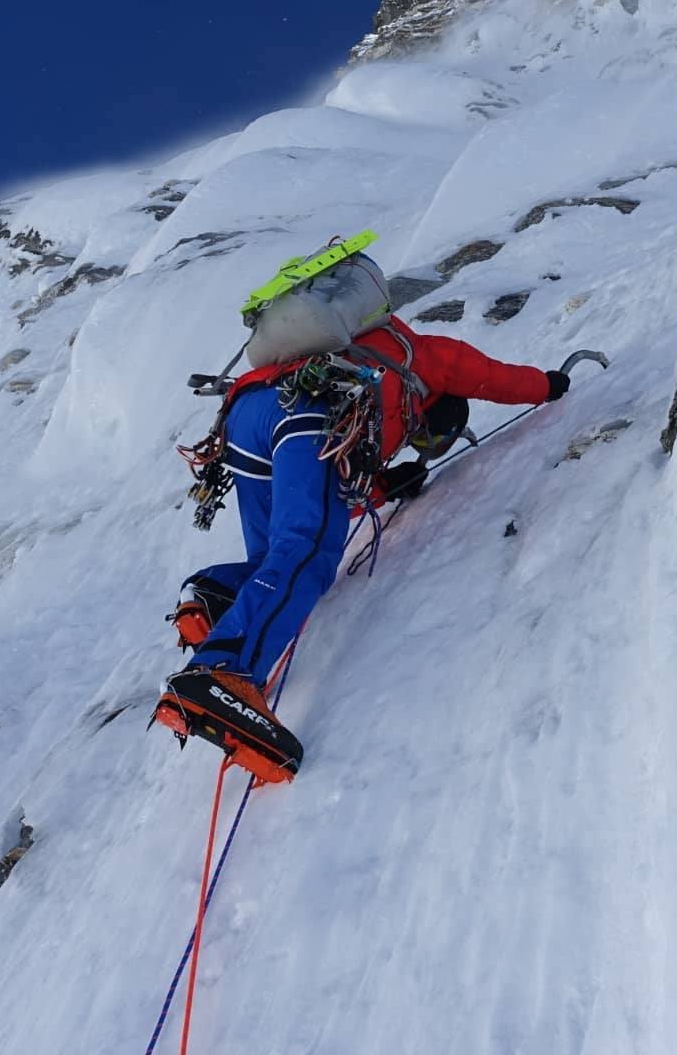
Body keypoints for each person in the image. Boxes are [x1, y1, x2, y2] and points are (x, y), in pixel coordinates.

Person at [152, 313, 569, 781]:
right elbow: (495, 378)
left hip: (249, 413)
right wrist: (549, 385)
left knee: (278, 554)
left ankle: (214, 596)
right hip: (304, 414)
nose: (419, 444)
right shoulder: (428, 356)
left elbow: (324, 494)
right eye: (429, 440)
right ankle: (220, 674)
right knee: (304, 553)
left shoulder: (369, 359)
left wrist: (387, 484)